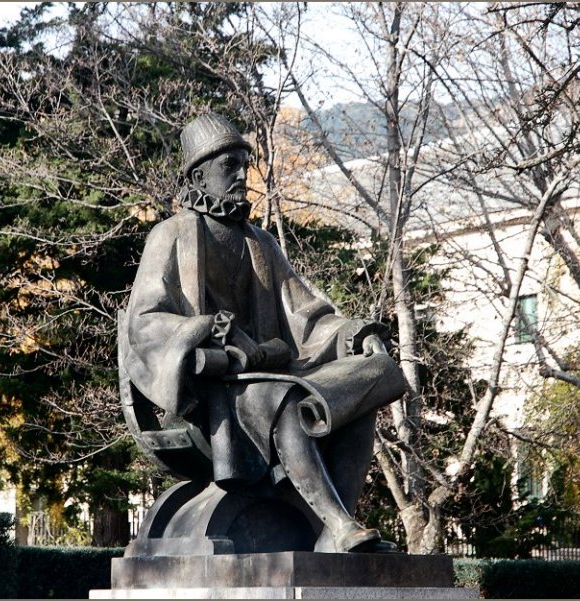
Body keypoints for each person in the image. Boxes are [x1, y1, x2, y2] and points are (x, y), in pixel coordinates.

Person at [123, 112, 406, 553]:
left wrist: (354, 335)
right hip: (212, 395)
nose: (242, 175)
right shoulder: (171, 235)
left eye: (244, 164)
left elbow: (306, 317)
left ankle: (333, 531)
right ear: (199, 175)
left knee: (367, 383)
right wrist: (205, 331)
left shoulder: (261, 243)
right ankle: (336, 523)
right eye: (228, 166)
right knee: (289, 400)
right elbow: (144, 322)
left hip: (270, 377)